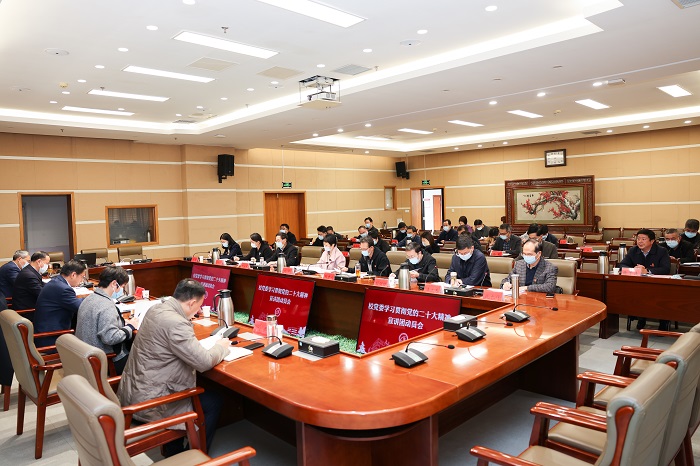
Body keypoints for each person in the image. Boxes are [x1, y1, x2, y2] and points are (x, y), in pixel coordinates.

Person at [118, 279, 230, 456]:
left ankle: (174, 448)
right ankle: (194, 454)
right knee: (214, 401)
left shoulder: (156, 309)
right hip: (153, 402)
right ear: (191, 303)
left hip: (137, 390)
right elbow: (204, 362)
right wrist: (221, 347)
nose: (199, 310)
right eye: (199, 306)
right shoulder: (176, 323)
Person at [76, 266, 139, 375]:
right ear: (114, 284)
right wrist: (130, 327)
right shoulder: (106, 306)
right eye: (122, 287)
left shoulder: (89, 298)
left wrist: (122, 324)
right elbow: (110, 338)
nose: (122, 291)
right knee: (142, 359)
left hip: (86, 355)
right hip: (105, 360)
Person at [619, 229, 671, 330]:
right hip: (639, 284)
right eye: (638, 239)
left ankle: (663, 321)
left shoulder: (661, 251)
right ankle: (641, 317)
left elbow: (665, 269)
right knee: (635, 293)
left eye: (643, 239)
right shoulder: (633, 250)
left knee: (660, 297)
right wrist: (633, 269)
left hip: (658, 285)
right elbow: (622, 265)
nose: (640, 241)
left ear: (652, 241)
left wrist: (646, 271)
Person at [34, 260, 86, 348]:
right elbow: (81, 307)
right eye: (82, 277)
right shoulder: (63, 289)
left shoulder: (56, 281)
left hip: (44, 332)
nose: (82, 281)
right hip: (52, 338)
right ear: (73, 275)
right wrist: (93, 298)